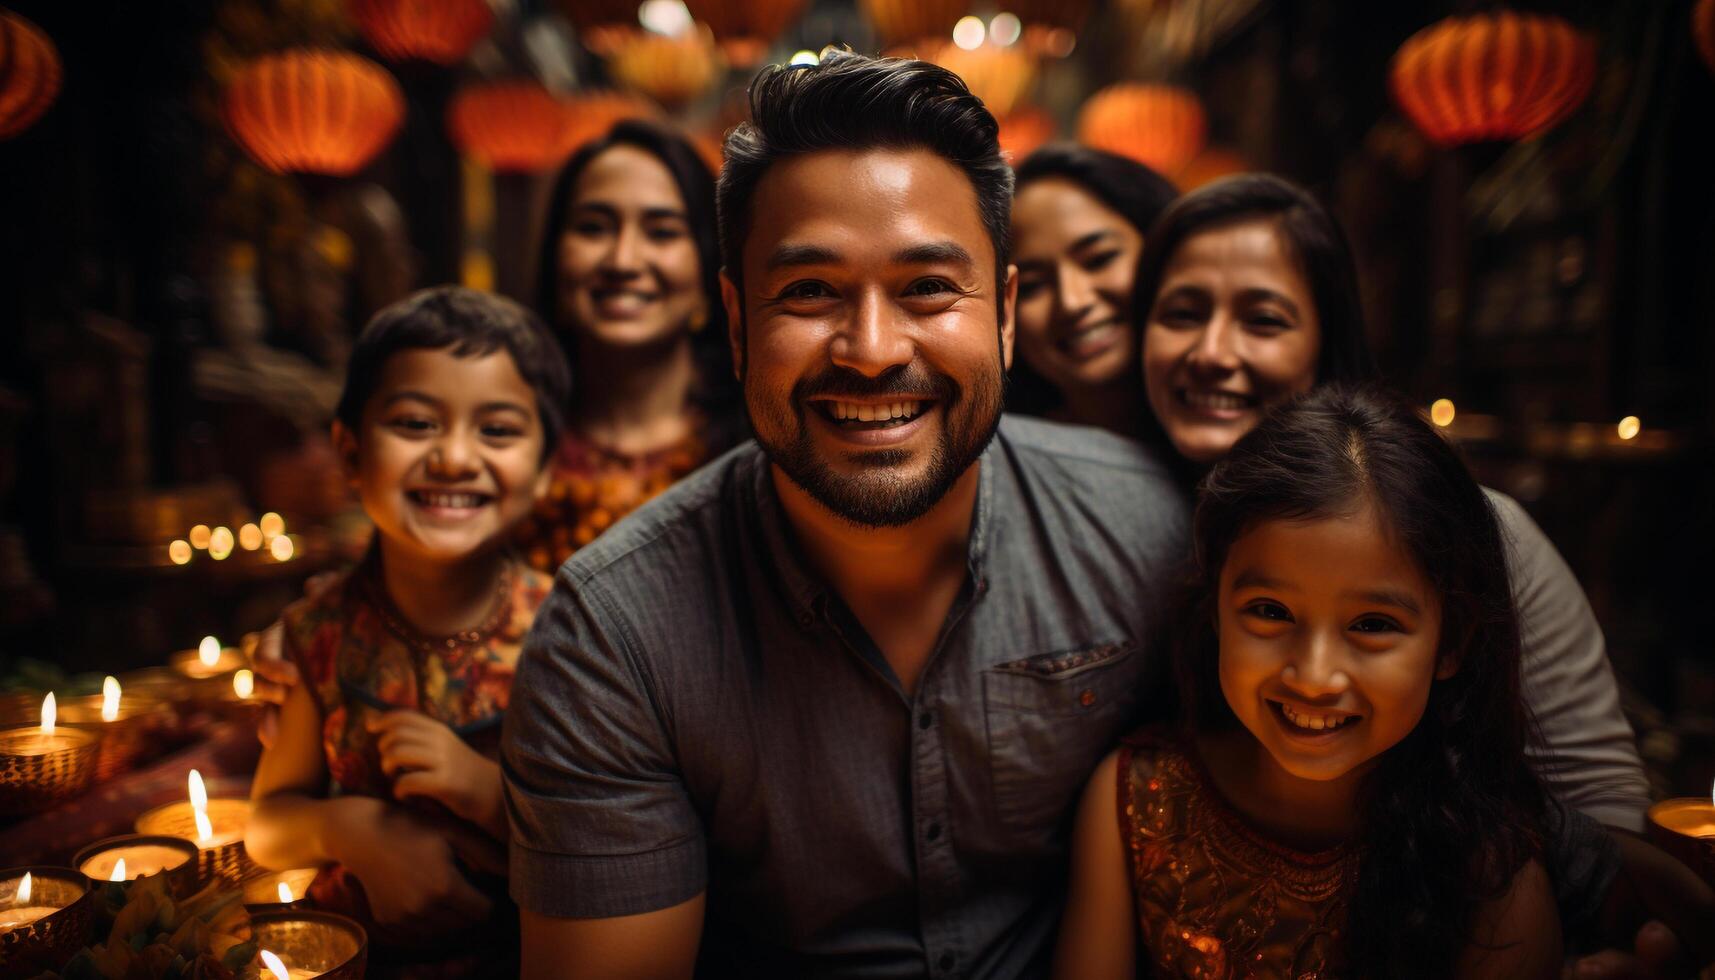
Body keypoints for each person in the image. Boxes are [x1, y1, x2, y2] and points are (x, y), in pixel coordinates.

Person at [501, 51, 1188, 977]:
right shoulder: (615, 635)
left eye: (928, 288)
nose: (870, 350)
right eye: (811, 291)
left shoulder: (1151, 528)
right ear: (738, 326)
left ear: (1007, 316)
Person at [1132, 174, 1711, 976]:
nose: (1211, 351)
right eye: (1181, 313)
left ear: (1324, 345)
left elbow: (1595, 806)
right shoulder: (1121, 513)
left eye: (1262, 319)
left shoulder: (1474, 533)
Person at [1056, 385, 1563, 979]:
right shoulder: (1134, 799)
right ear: (1216, 610)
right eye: (1271, 612)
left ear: (1451, 642)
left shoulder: (1489, 878)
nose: (1315, 677)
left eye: (1373, 625)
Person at [244, 287, 570, 975]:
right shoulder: (319, 633)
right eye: (416, 423)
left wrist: (485, 793)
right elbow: (267, 824)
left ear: (544, 469)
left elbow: (608, 838)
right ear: (350, 450)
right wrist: (349, 828)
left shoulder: (568, 630)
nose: (453, 457)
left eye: (498, 430)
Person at [515, 119, 746, 572]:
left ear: (708, 266)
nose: (622, 260)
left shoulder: (760, 447)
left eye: (661, 232)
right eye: (593, 227)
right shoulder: (506, 440)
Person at [1006, 145, 1178, 437]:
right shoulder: (999, 462)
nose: (1073, 302)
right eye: (1033, 285)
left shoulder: (1241, 438)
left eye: (1100, 259)